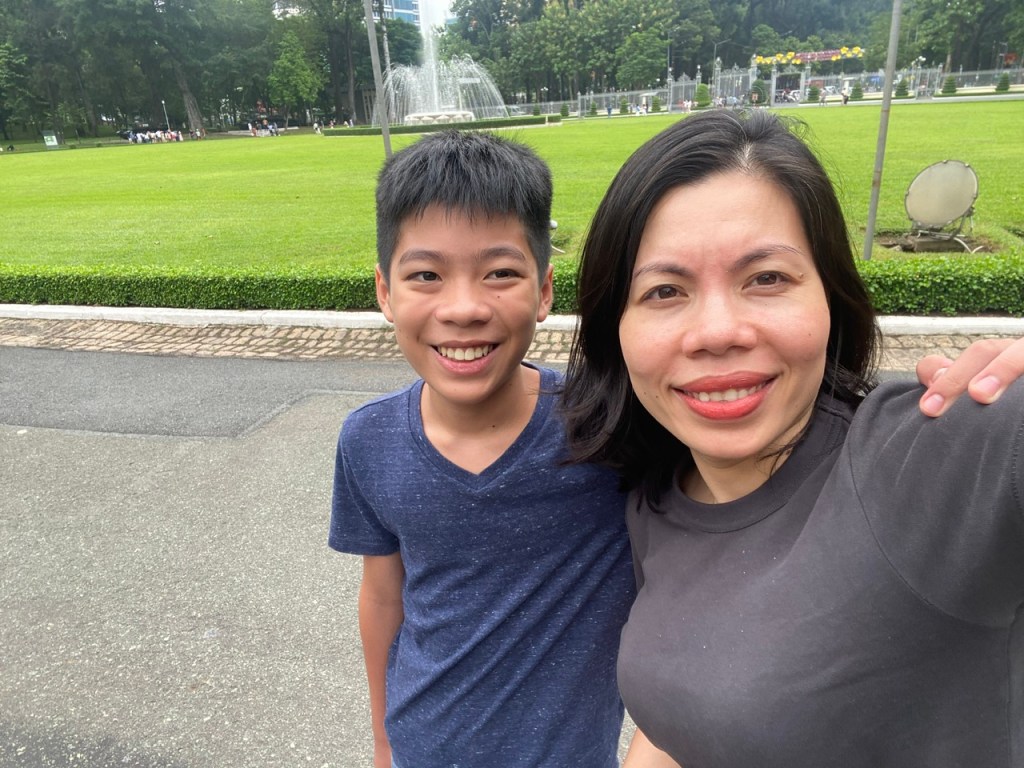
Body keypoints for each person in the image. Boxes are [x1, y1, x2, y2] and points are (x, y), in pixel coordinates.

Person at [562, 109, 1024, 767]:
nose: (717, 331)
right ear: (616, 329)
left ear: (830, 296)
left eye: (767, 279)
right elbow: (684, 718)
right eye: (664, 291)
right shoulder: (658, 499)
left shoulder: (928, 459)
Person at [328, 130, 636, 768]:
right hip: (422, 747)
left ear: (544, 290)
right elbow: (383, 596)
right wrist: (383, 742)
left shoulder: (607, 424)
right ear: (385, 292)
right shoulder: (368, 440)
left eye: (500, 273)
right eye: (426, 275)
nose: (464, 308)